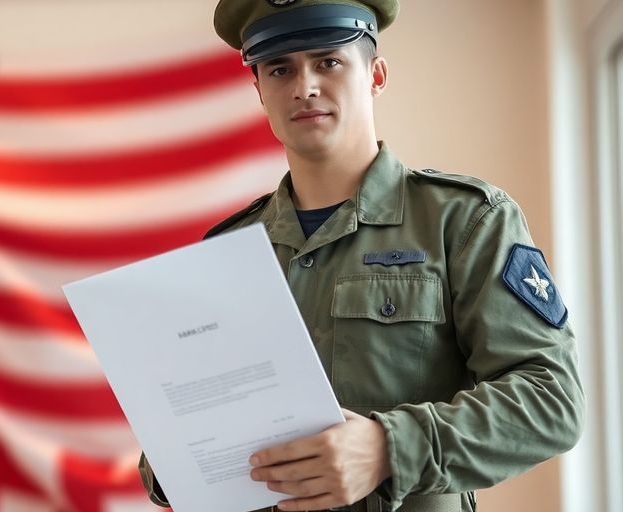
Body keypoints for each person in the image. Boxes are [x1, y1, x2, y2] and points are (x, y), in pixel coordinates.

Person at [137, 1, 585, 511]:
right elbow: (191, 428)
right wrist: (172, 459)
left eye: (328, 61)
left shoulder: (465, 220)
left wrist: (389, 448)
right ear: (259, 90)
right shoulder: (226, 251)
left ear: (375, 75)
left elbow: (551, 399)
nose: (304, 87)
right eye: (280, 69)